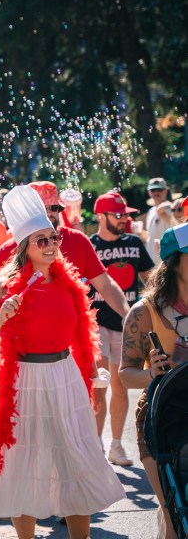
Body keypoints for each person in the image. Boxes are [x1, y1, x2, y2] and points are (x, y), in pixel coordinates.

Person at [0, 186, 124, 539]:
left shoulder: (69, 284)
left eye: (53, 237)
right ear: (24, 247)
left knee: (75, 461)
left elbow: (81, 336)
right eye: (41, 240)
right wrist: (1, 317)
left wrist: (93, 376)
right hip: (20, 381)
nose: (51, 244)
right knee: (21, 466)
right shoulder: (3, 286)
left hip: (64, 377)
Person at [120, 222, 188, 539]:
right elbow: (125, 374)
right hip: (161, 418)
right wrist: (152, 373)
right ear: (174, 263)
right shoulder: (143, 312)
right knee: (174, 513)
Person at [0, 182, 131, 323]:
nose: (50, 213)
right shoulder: (8, 249)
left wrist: (128, 315)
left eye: (54, 207)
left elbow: (105, 285)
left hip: (73, 332)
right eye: (43, 208)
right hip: (25, 334)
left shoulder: (78, 240)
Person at [89, 192, 155, 467]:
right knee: (99, 385)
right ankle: (95, 446)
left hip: (127, 324)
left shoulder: (134, 243)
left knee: (119, 384)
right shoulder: (89, 246)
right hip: (96, 324)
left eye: (125, 215)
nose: (123, 220)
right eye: (118, 215)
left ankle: (116, 446)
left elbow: (151, 280)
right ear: (100, 216)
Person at [143, 178, 180, 264]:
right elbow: (150, 237)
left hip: (167, 261)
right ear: (149, 192)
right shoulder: (151, 211)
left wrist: (164, 212)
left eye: (159, 189)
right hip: (152, 262)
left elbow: (177, 227)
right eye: (153, 190)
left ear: (166, 191)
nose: (156, 192)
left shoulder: (172, 210)